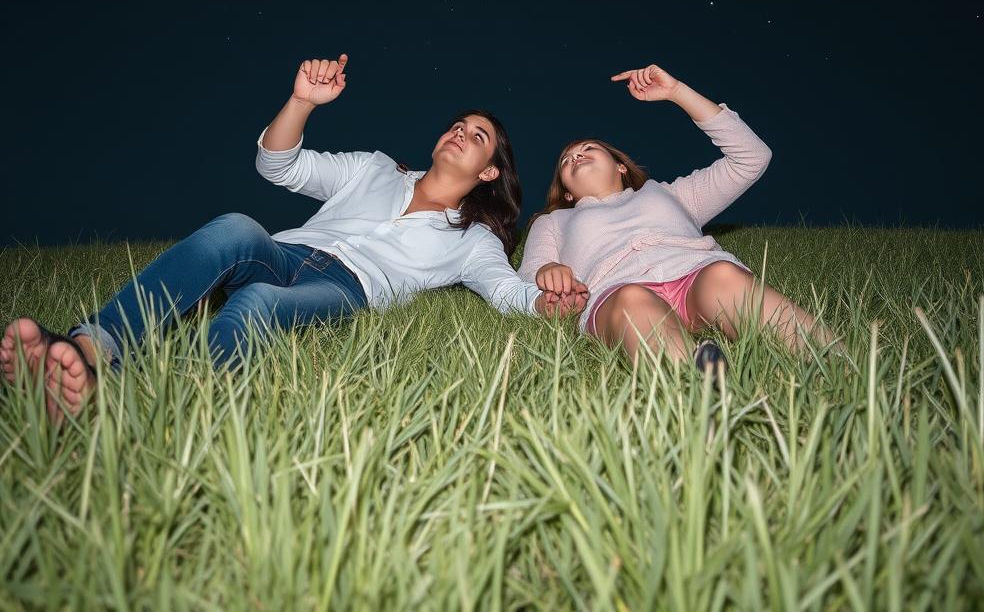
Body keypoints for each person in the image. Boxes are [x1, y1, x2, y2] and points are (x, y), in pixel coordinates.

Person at [2, 53, 579, 424]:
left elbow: (508, 293)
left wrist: (551, 301)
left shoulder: (472, 239)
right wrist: (303, 100)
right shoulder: (372, 168)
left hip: (346, 286)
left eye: (477, 136)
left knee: (256, 304)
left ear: (488, 172)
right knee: (233, 227)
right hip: (286, 249)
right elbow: (278, 165)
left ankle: (169, 413)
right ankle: (86, 351)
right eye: (458, 123)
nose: (460, 131)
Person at [516, 63, 838, 375]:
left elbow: (752, 158)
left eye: (588, 149)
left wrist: (677, 92)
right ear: (568, 193)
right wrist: (548, 271)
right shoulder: (555, 221)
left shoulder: (668, 194)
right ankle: (695, 393)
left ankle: (842, 367)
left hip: (693, 274)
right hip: (616, 290)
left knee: (723, 274)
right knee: (632, 300)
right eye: (566, 161)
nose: (577, 156)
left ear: (620, 167)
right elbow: (530, 274)